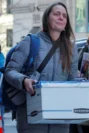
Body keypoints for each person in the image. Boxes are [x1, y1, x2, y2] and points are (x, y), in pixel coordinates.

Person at [4, 2, 78, 133]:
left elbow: (72, 81)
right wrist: (24, 80)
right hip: (31, 117)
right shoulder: (31, 41)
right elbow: (10, 71)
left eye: (64, 16)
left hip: (60, 119)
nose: (61, 17)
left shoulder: (72, 48)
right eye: (56, 14)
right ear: (47, 18)